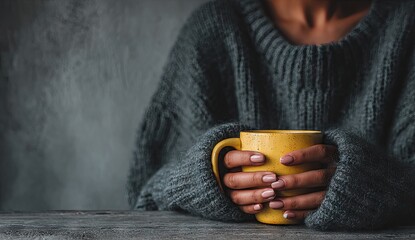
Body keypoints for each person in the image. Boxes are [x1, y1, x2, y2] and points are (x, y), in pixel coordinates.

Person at [127, 0, 415, 231]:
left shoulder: (406, 28)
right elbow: (147, 193)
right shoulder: (215, 29)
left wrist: (371, 187)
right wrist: (203, 179)